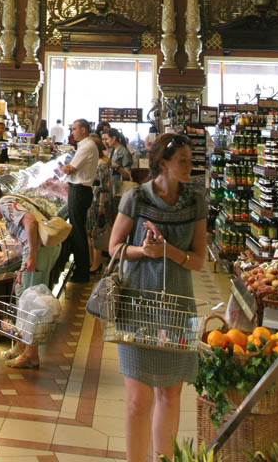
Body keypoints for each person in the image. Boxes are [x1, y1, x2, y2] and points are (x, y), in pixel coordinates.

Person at [108, 133, 207, 462]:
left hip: (179, 307)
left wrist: (169, 252)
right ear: (162, 164)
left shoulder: (195, 201)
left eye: (191, 161)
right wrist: (142, 250)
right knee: (138, 398)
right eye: (183, 161)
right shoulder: (136, 198)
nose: (190, 167)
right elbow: (114, 248)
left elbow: (199, 259)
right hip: (136, 304)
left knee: (170, 393)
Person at [0, 181, 60, 370]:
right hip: (41, 250)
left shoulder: (4, 204)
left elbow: (29, 221)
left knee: (31, 302)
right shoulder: (10, 200)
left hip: (38, 251)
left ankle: (31, 355)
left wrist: (31, 256)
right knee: (23, 293)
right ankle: (22, 345)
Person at [61, 118, 99, 283]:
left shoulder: (87, 146)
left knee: (78, 231)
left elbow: (70, 169)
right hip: (81, 190)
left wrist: (64, 167)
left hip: (80, 190)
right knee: (78, 229)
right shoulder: (85, 145)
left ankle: (81, 271)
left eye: (74, 129)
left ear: (83, 130)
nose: (72, 132)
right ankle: (80, 266)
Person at [86, 134, 113, 273]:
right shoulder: (95, 162)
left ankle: (96, 264)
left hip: (98, 203)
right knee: (90, 232)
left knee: (96, 233)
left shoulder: (101, 164)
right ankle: (91, 262)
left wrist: (101, 205)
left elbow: (104, 187)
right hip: (92, 201)